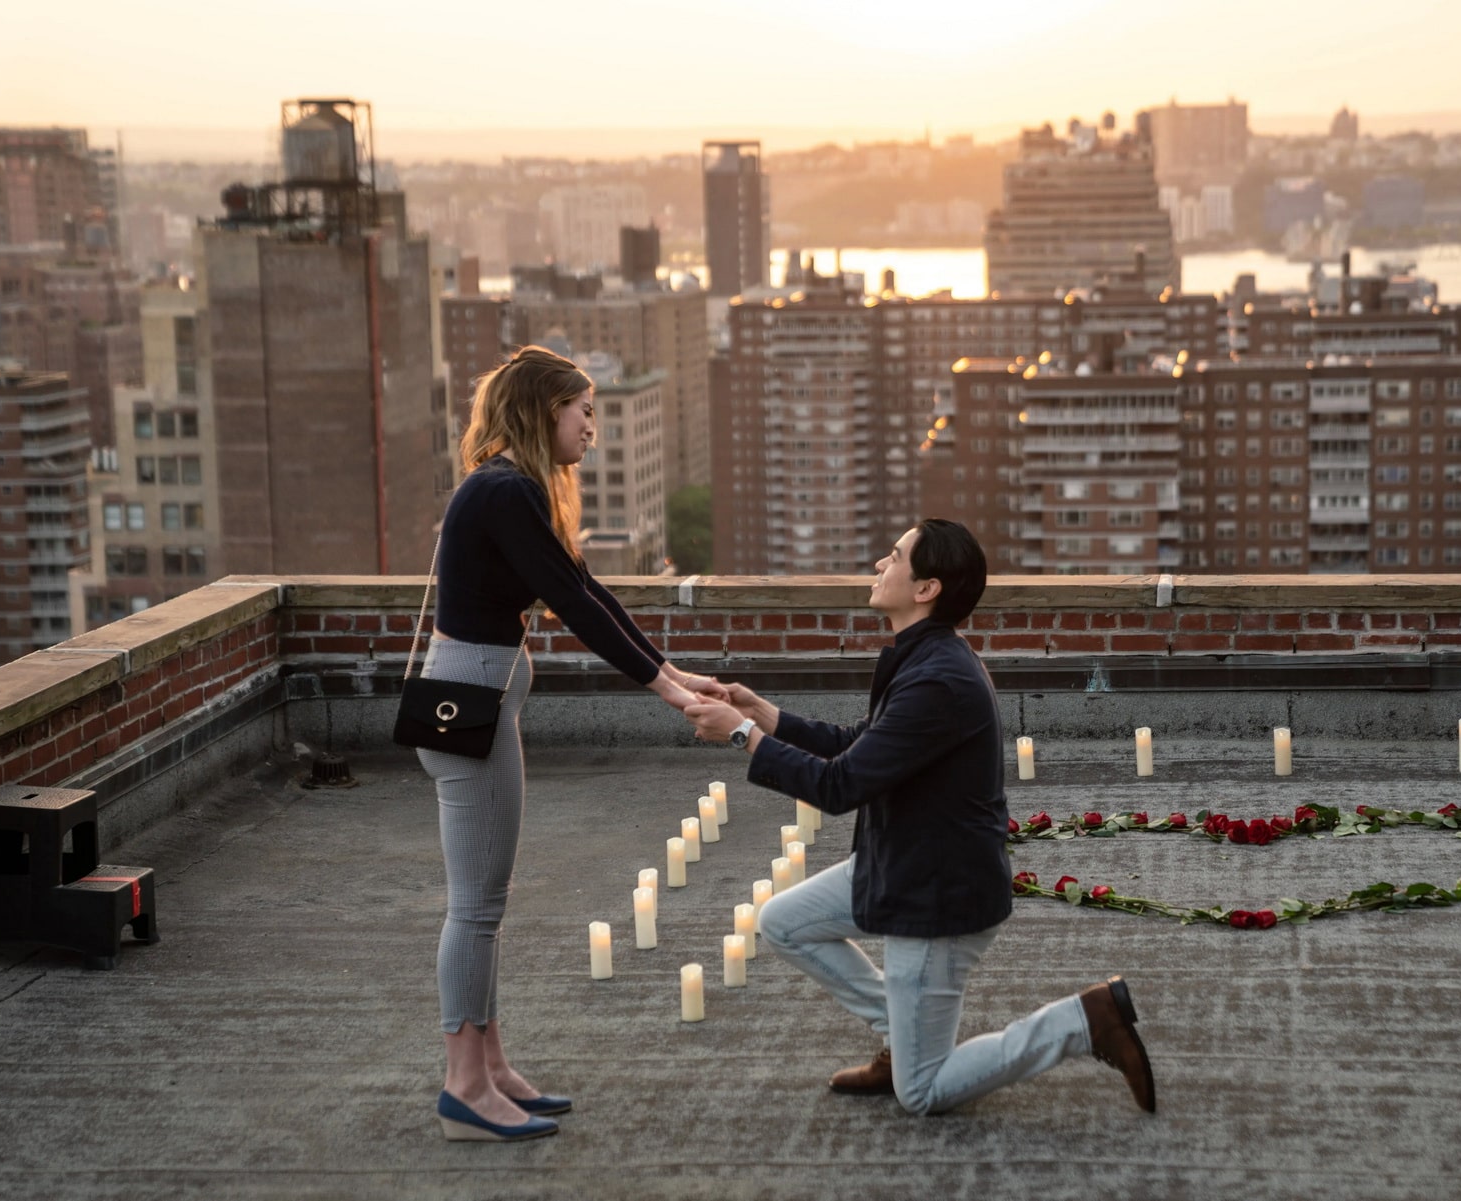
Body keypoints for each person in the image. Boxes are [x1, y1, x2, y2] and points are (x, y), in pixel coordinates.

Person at [683, 519, 1156, 1116]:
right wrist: (764, 714)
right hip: (901, 863)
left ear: (926, 588)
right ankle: (899, 1034)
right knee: (784, 922)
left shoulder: (938, 678)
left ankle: (1084, 1021)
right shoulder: (926, 659)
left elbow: (841, 785)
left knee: (923, 1092)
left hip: (935, 896)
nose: (880, 566)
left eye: (894, 556)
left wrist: (742, 736)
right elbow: (860, 742)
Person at [418, 347, 721, 1141]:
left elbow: (588, 590)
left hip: (480, 695)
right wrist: (663, 688)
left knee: (487, 906)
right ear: (543, 408)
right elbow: (574, 606)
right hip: (472, 701)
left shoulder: (510, 490)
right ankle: (462, 1086)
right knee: (474, 908)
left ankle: (491, 1068)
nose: (593, 424)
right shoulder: (505, 490)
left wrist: (669, 667)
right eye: (583, 408)